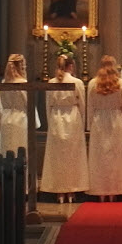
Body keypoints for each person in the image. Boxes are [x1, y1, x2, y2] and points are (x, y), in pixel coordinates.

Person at [41, 55, 89, 203]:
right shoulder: (77, 82)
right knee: (73, 155)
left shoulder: (52, 82)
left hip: (56, 118)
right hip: (73, 118)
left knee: (57, 156)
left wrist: (50, 122)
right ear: (71, 66)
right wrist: (82, 122)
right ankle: (72, 190)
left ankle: (59, 191)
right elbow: (82, 104)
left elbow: (48, 105)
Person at [87, 56, 122, 202]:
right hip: (116, 119)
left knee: (99, 157)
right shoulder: (121, 83)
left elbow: (90, 106)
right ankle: (114, 191)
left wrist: (89, 125)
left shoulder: (93, 83)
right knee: (116, 156)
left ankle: (100, 191)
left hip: (98, 120)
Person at [0, 54, 38, 155]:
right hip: (20, 119)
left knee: (7, 149)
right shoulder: (23, 82)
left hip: (5, 118)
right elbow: (29, 103)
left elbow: (1, 101)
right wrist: (35, 122)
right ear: (21, 66)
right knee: (20, 150)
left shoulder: (4, 82)